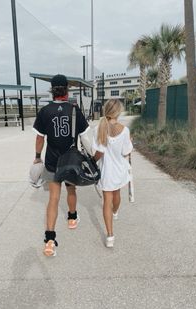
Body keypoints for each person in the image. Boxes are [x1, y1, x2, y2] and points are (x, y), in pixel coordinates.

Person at [33, 74, 90, 257]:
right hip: (70, 161)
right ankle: (72, 218)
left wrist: (37, 157)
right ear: (66, 89)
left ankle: (50, 240)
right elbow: (85, 137)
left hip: (52, 161)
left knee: (53, 199)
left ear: (52, 90)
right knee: (71, 190)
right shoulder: (74, 109)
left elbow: (40, 138)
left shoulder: (45, 111)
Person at [92, 99, 133, 248]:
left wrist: (92, 161)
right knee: (117, 195)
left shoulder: (99, 128)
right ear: (119, 112)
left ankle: (110, 236)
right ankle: (115, 212)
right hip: (119, 170)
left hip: (106, 171)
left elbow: (98, 153)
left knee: (106, 201)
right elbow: (125, 152)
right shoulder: (125, 130)